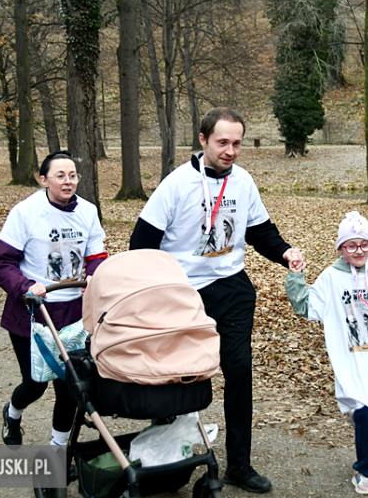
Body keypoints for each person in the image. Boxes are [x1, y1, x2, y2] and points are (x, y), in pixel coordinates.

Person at [129, 107, 305, 494]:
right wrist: (157, 291)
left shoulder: (242, 182)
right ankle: (164, 459)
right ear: (203, 140)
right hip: (182, 294)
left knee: (239, 373)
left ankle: (239, 465)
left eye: (237, 143)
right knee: (176, 377)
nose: (230, 151)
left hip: (232, 288)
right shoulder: (176, 185)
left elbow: (260, 230)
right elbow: (141, 244)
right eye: (222, 142)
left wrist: (285, 252)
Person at [284, 211, 368, 495]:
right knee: (364, 411)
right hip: (350, 360)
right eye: (351, 245)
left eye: (364, 244)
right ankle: (366, 472)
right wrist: (296, 276)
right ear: (341, 248)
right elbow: (305, 306)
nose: (358, 251)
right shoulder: (331, 278)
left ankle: (363, 431)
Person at [0, 151, 107, 446]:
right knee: (34, 384)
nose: (68, 182)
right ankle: (13, 413)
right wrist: (26, 287)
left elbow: (96, 254)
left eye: (73, 176)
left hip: (73, 313)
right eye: (60, 176)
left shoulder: (88, 211)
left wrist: (93, 273)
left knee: (72, 385)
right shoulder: (26, 212)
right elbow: (3, 263)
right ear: (44, 180)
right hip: (32, 312)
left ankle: (58, 450)